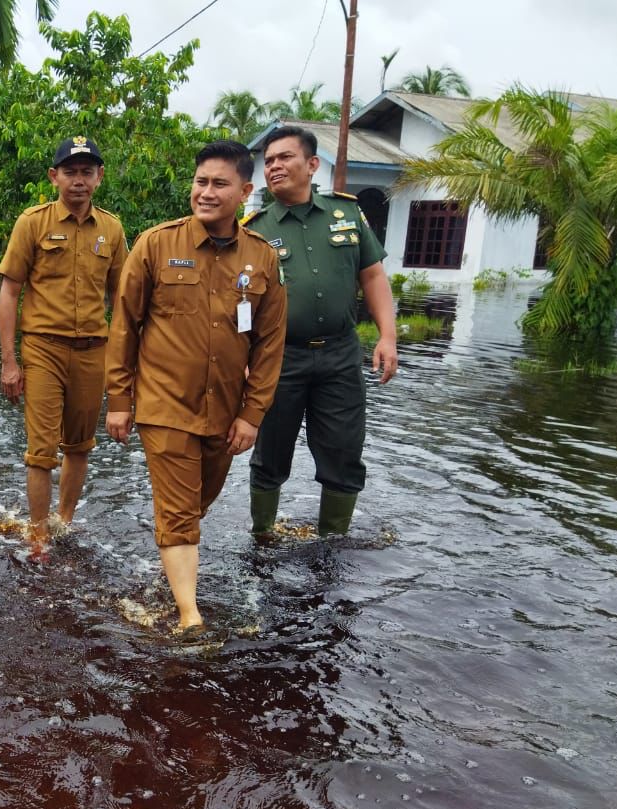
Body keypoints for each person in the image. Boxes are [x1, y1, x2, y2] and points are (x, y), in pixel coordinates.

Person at [106, 140, 287, 631]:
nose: (206, 192)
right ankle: (190, 618)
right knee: (181, 512)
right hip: (164, 404)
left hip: (225, 412)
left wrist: (252, 414)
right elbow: (124, 326)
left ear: (245, 192)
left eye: (219, 184)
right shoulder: (156, 245)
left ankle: (171, 563)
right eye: (200, 182)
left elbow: (269, 345)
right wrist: (119, 400)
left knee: (195, 505)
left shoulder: (262, 258)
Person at [243, 126, 399, 537]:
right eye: (269, 161)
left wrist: (387, 336)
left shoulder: (345, 214)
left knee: (343, 451)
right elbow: (240, 303)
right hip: (279, 358)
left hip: (340, 355)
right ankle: (262, 538)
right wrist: (244, 361)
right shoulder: (254, 229)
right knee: (270, 453)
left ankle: (334, 542)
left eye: (285, 157)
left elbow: (373, 276)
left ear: (312, 164)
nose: (274, 166)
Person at [0, 135, 127, 549]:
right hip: (43, 348)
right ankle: (37, 534)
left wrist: (124, 363)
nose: (78, 180)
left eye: (87, 172)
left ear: (99, 177)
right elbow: (9, 292)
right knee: (41, 449)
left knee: (80, 445)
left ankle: (63, 522)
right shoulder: (32, 222)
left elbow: (121, 299)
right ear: (54, 176)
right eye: (70, 172)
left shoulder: (112, 228)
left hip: (93, 350)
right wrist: (9, 362)